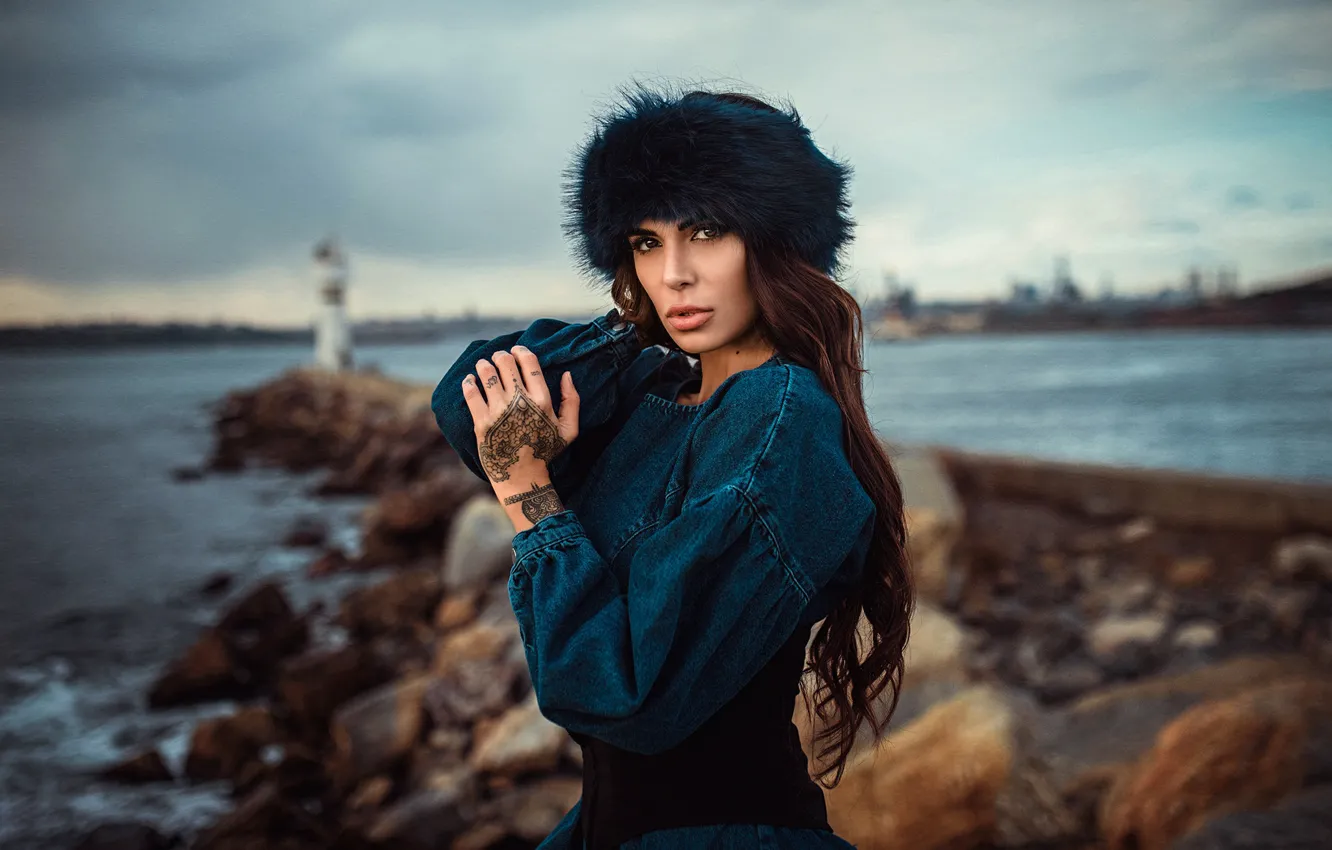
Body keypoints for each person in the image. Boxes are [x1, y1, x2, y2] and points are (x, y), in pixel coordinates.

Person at [431, 83, 914, 850]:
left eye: (708, 231)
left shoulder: (780, 421)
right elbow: (465, 406)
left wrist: (528, 492)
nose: (675, 274)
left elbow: (622, 693)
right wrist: (629, 331)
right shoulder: (663, 390)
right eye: (646, 241)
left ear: (778, 239)